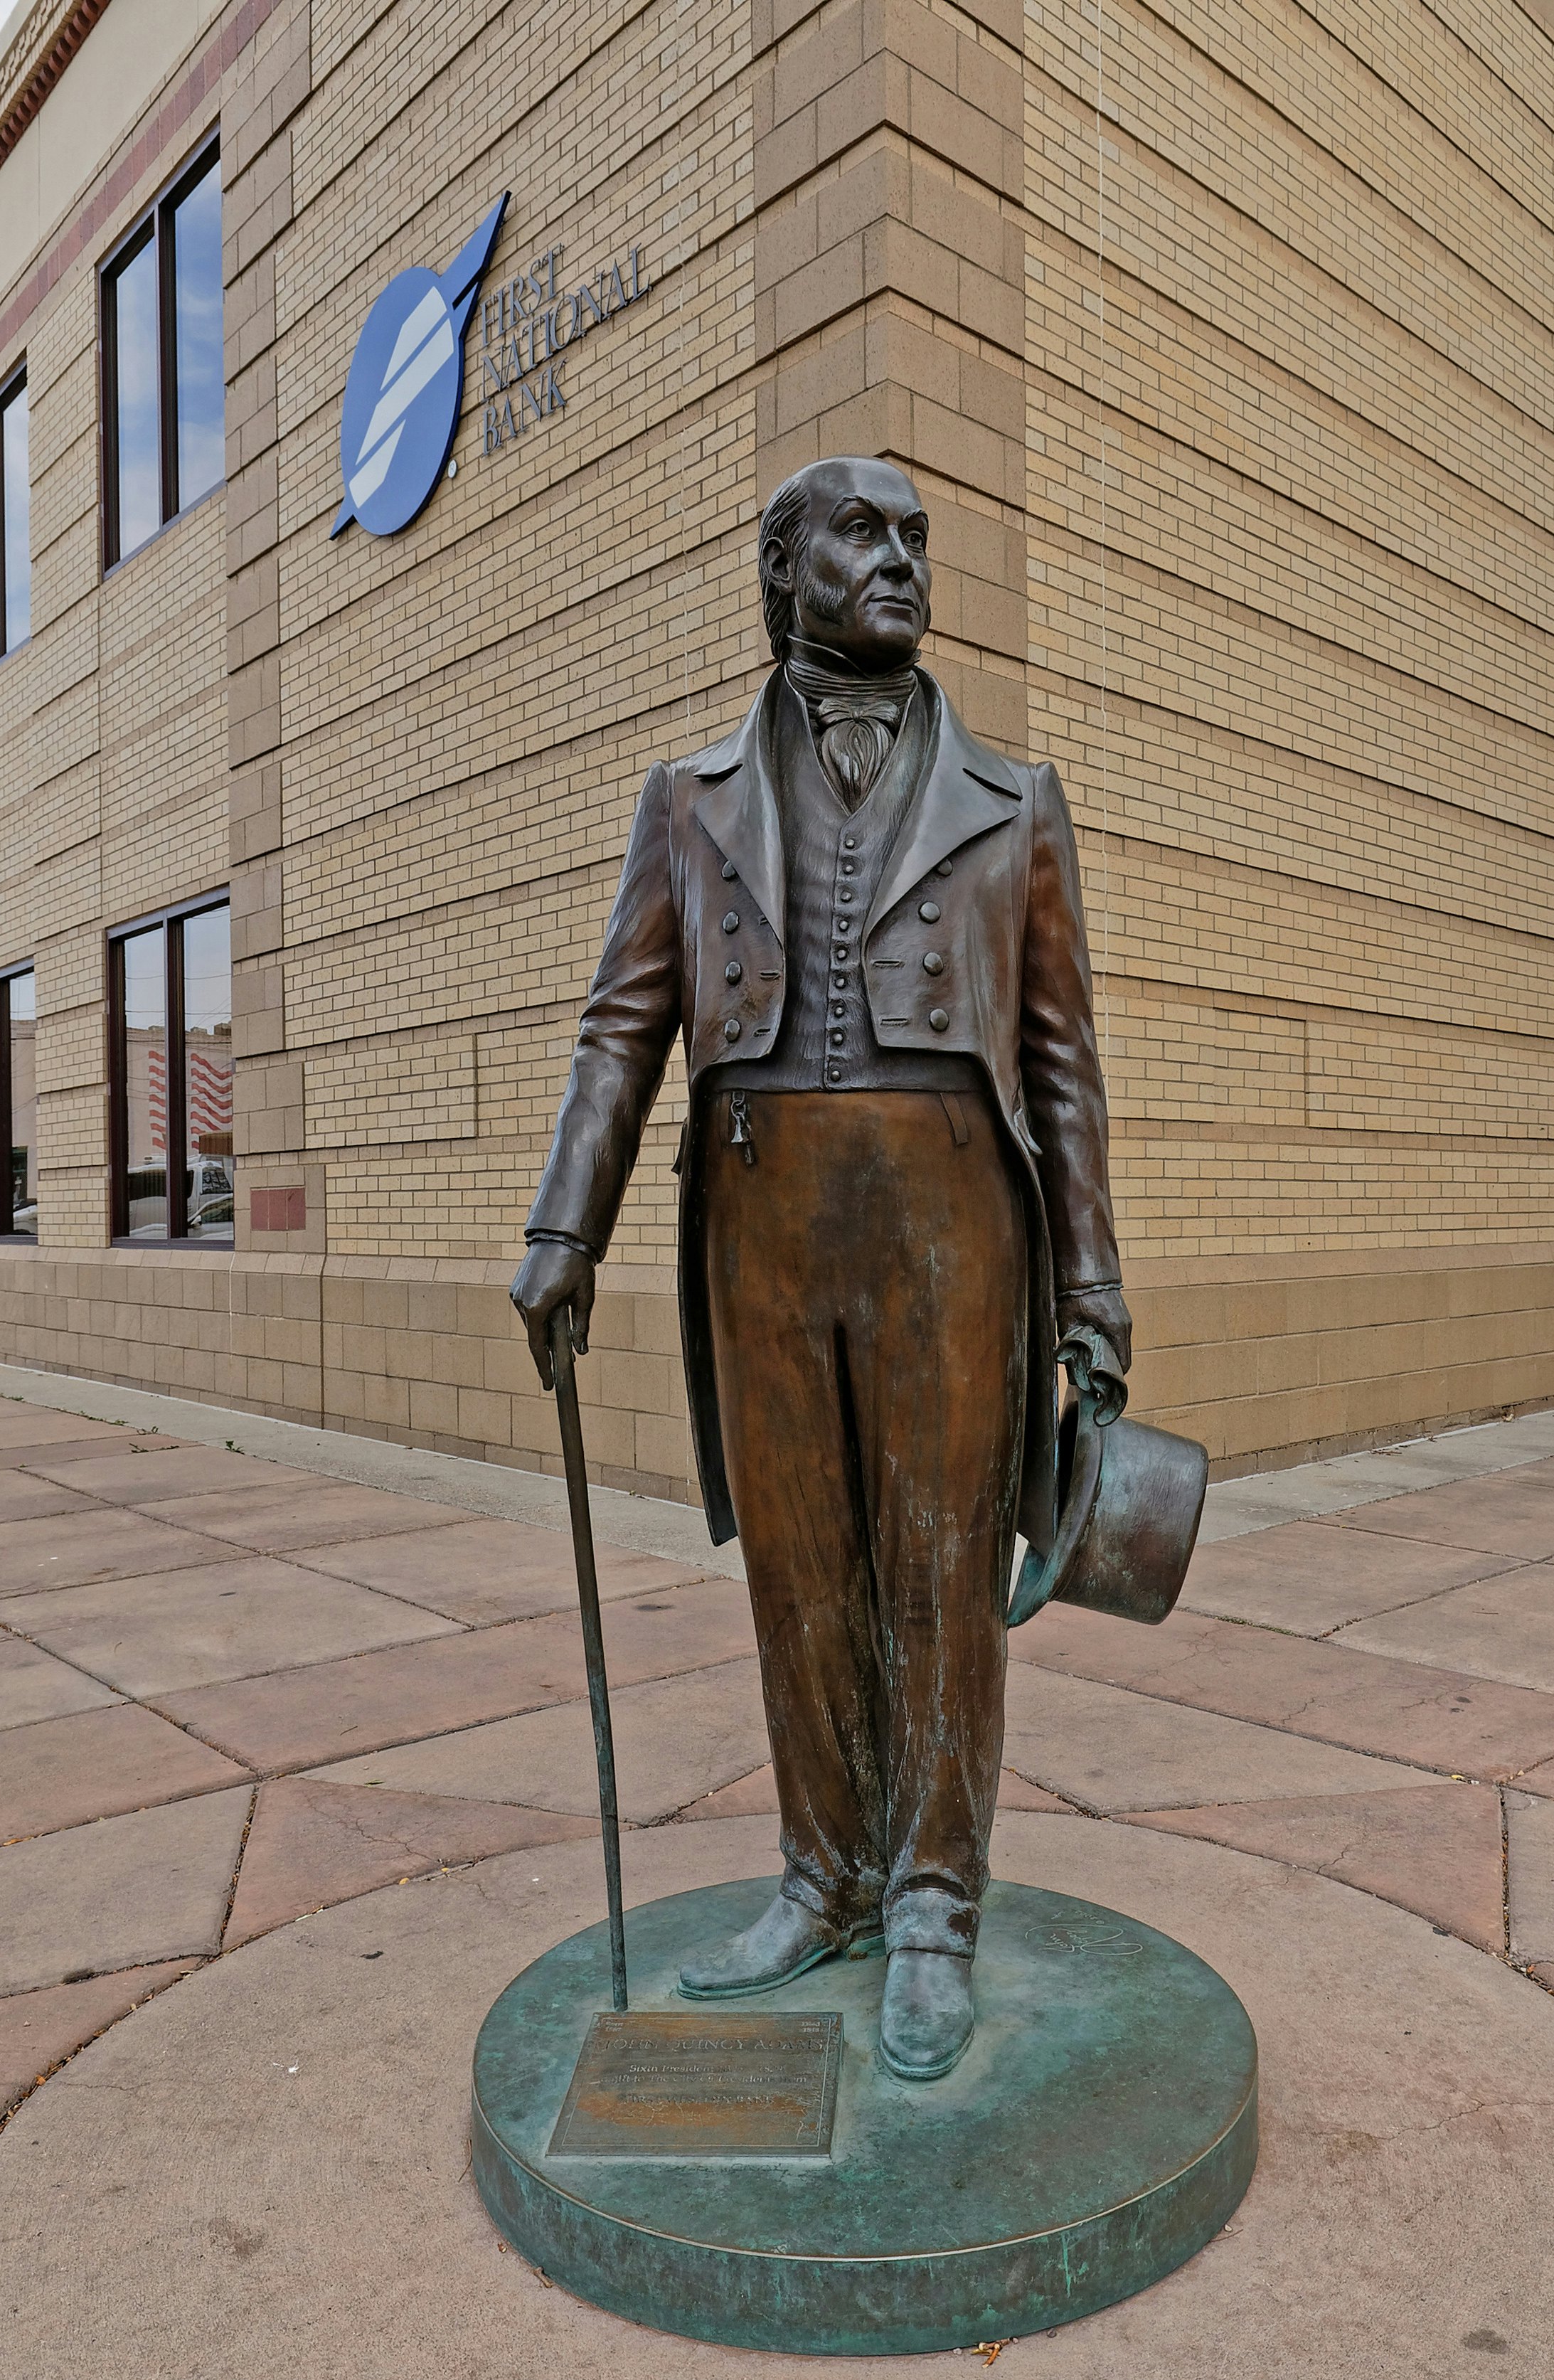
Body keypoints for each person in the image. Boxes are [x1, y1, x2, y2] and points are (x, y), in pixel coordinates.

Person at [510, 457, 1128, 2083]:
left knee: (934, 1577)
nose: (904, 561)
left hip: (954, 1231)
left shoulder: (1016, 800)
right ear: (782, 566)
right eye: (865, 534)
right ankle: (825, 1871)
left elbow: (1063, 1068)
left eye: (920, 537)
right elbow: (618, 1025)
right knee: (797, 1571)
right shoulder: (687, 799)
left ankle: (933, 1901)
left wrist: (1093, 1295)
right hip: (759, 1227)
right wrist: (563, 1226)